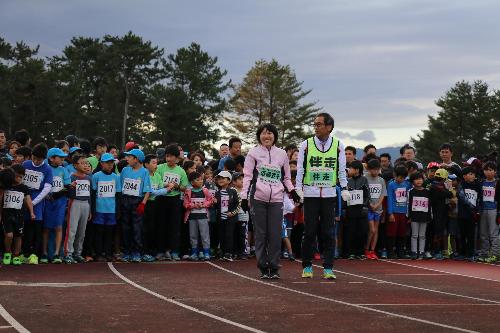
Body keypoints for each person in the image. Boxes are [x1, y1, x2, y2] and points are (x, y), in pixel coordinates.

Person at [241, 124, 298, 278]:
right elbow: (247, 176)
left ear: (275, 136)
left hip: (277, 199)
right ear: (259, 136)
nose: (267, 136)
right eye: (264, 133)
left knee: (275, 234)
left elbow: (286, 177)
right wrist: (243, 197)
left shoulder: (282, 154)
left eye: (270, 133)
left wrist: (292, 191)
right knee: (261, 234)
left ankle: (274, 267)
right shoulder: (253, 153)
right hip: (258, 198)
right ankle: (262, 267)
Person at [296, 113, 349, 280]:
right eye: (315, 124)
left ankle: (328, 267)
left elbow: (341, 169)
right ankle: (307, 265)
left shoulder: (338, 145)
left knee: (328, 232)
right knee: (309, 231)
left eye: (319, 124)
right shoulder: (306, 145)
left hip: (329, 194)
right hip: (310, 194)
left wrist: (345, 187)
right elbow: (300, 169)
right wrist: (298, 189)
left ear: (329, 127)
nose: (316, 127)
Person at [155, 144, 188, 261]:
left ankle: (174, 251)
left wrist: (177, 186)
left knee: (174, 227)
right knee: (161, 225)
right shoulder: (160, 168)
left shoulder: (181, 171)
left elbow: (185, 187)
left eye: (171, 156)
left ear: (177, 158)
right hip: (161, 199)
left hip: (175, 201)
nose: (168, 159)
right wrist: (166, 185)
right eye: (167, 156)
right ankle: (160, 251)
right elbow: (156, 181)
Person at [22, 143, 53, 265]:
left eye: (39, 159)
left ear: (44, 159)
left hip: (38, 201)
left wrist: (33, 203)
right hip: (24, 199)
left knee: (37, 229)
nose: (35, 161)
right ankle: (25, 253)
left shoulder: (47, 168)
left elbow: (47, 188)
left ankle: (35, 254)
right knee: (25, 228)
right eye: (34, 158)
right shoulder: (25, 164)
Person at [119, 149, 151, 262]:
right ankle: (127, 251)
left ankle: (136, 252)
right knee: (125, 227)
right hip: (125, 200)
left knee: (137, 228)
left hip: (137, 201)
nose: (126, 159)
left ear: (136, 159)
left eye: (129, 157)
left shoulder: (144, 172)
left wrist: (143, 203)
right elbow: (120, 186)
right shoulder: (124, 170)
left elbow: (148, 190)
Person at [41, 148, 71, 264]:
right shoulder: (45, 169)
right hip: (47, 201)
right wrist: (47, 195)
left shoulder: (63, 170)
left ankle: (56, 253)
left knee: (59, 226)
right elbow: (41, 185)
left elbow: (68, 186)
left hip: (60, 201)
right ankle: (44, 252)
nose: (63, 159)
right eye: (60, 157)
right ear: (51, 158)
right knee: (46, 227)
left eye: (63, 157)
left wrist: (57, 195)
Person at [2, 165, 35, 265]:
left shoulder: (24, 188)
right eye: (17, 176)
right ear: (12, 175)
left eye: (21, 177)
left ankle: (16, 255)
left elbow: (28, 200)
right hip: (7, 215)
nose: (19, 179)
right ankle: (7, 252)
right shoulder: (5, 186)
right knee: (9, 235)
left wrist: (32, 212)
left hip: (19, 215)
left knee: (18, 236)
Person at [91, 153, 122, 262]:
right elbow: (93, 194)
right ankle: (99, 253)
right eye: (107, 163)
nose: (110, 165)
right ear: (101, 163)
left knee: (109, 233)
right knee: (99, 232)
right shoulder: (96, 176)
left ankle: (108, 253)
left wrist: (118, 210)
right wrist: (93, 209)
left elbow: (118, 195)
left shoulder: (116, 177)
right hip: (99, 210)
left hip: (111, 210)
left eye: (111, 163)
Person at [63, 155, 91, 264]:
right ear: (75, 165)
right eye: (82, 163)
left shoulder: (88, 178)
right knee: (72, 230)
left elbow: (89, 195)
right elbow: (67, 193)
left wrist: (90, 209)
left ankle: (78, 253)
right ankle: (68, 253)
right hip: (74, 203)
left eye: (86, 163)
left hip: (85, 204)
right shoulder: (72, 177)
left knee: (82, 231)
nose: (85, 165)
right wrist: (71, 187)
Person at [183, 171, 213, 261]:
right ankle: (194, 253)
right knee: (193, 235)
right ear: (192, 182)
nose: (200, 181)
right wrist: (193, 205)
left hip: (203, 216)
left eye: (201, 179)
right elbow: (185, 204)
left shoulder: (205, 190)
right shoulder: (188, 191)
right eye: (198, 180)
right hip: (192, 217)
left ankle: (206, 252)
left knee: (205, 235)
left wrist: (203, 204)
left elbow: (210, 200)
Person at [345, 160, 370, 260]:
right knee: (351, 231)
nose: (349, 170)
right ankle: (351, 252)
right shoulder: (348, 181)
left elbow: (367, 194)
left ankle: (360, 252)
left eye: (351, 168)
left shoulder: (364, 180)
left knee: (362, 231)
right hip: (351, 210)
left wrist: (365, 206)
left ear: (357, 170)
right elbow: (345, 195)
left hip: (361, 210)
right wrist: (344, 208)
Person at [214, 170, 241, 262]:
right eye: (219, 178)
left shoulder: (233, 191)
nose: (220, 180)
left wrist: (232, 213)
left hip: (230, 218)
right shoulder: (217, 193)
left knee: (229, 235)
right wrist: (214, 203)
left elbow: (238, 203)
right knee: (221, 235)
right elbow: (215, 206)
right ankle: (222, 252)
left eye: (223, 178)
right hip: (220, 218)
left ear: (229, 180)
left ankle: (229, 253)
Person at [386, 165, 412, 258]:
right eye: (398, 177)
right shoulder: (391, 185)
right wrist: (390, 213)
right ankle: (390, 252)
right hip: (394, 212)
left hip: (404, 212)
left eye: (402, 178)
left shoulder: (408, 184)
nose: (399, 179)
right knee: (392, 232)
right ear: (394, 175)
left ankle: (400, 251)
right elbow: (390, 199)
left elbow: (410, 199)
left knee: (402, 233)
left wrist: (409, 214)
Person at [457, 166, 482, 261]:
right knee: (462, 234)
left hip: (472, 215)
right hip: (462, 213)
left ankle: (470, 253)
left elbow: (479, 199)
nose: (473, 176)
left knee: (471, 235)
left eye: (474, 174)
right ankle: (462, 252)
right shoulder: (462, 184)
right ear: (464, 176)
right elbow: (461, 196)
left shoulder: (477, 186)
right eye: (470, 174)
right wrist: (471, 206)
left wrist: (477, 210)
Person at [429, 168, 453, 260]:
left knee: (440, 232)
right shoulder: (435, 187)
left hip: (441, 212)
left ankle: (439, 250)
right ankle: (436, 251)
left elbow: (449, 194)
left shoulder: (434, 185)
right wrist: (448, 187)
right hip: (437, 213)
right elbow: (449, 194)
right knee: (437, 232)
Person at [365, 158, 387, 260]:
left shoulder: (381, 180)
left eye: (377, 169)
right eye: (373, 169)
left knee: (376, 230)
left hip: (378, 209)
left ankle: (372, 250)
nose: (375, 171)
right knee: (371, 229)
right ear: (368, 169)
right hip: (369, 209)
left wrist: (378, 204)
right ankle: (366, 249)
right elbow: (365, 194)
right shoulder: (365, 178)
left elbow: (383, 194)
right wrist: (370, 205)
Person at [478, 162, 499, 263]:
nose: (488, 172)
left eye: (491, 170)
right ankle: (484, 253)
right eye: (486, 170)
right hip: (483, 210)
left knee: (493, 234)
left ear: (495, 171)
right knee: (483, 233)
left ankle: (495, 254)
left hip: (494, 210)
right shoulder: (481, 182)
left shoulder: (498, 183)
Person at [408, 172, 432, 259]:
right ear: (412, 181)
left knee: (422, 235)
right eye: (416, 179)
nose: (418, 181)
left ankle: (421, 252)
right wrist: (409, 216)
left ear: (423, 180)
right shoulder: (410, 192)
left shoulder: (427, 192)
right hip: (414, 217)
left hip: (424, 216)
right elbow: (408, 204)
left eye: (420, 179)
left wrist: (429, 216)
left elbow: (429, 205)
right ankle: (414, 252)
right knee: (414, 235)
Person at [232, 172, 249, 260]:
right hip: (233, 216)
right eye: (240, 179)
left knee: (243, 234)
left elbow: (249, 204)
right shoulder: (232, 191)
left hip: (243, 216)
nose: (242, 181)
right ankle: (235, 251)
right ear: (234, 182)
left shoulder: (246, 191)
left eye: (243, 179)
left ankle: (243, 251)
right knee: (234, 234)